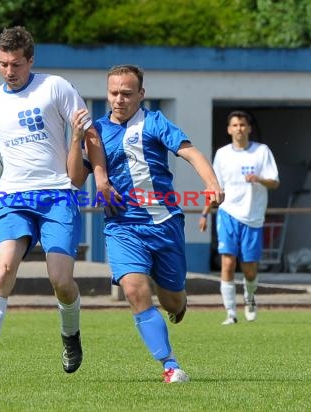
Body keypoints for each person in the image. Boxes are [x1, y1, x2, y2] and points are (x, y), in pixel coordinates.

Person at [0, 26, 113, 383]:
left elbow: (90, 135)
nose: (9, 71)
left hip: (58, 194)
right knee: (2, 271)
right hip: (13, 197)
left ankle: (70, 334)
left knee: (61, 281)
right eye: (2, 64)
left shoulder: (55, 87)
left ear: (30, 60)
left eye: (16, 64)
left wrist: (101, 178)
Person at [69, 65, 224, 383]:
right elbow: (74, 178)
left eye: (127, 93)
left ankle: (178, 301)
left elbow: (190, 152)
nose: (119, 99)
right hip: (122, 225)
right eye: (114, 92)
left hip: (164, 223)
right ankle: (170, 365)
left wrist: (211, 183)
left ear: (141, 94)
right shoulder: (95, 132)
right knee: (134, 289)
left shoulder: (154, 122)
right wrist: (75, 140)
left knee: (171, 299)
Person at [199, 110, 279, 325]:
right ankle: (231, 313)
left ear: (249, 128)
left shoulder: (262, 152)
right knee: (227, 262)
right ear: (229, 129)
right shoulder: (223, 154)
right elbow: (215, 187)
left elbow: (275, 182)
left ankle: (250, 299)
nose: (239, 129)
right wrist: (206, 213)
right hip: (227, 214)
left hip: (252, 217)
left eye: (243, 125)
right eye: (235, 125)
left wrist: (260, 179)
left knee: (249, 268)